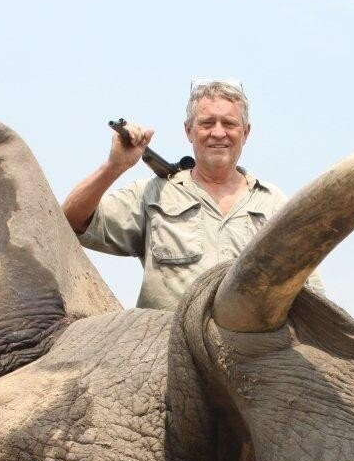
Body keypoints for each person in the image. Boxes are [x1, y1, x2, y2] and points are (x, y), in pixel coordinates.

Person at [62, 79, 322, 310]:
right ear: (189, 130)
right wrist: (115, 166)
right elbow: (71, 220)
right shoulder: (153, 193)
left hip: (253, 357)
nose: (218, 132)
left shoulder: (273, 203)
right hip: (164, 355)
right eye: (207, 123)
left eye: (229, 123)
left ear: (246, 132)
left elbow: (313, 296)